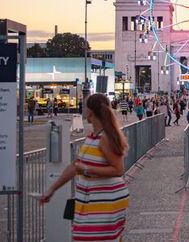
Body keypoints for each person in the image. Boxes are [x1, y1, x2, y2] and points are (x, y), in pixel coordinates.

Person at [40, 94, 129, 241]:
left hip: (104, 202)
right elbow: (75, 166)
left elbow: (118, 170)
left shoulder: (105, 138)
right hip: (91, 201)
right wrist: (52, 189)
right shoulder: (92, 138)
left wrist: (87, 169)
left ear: (89, 112)